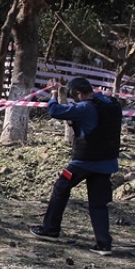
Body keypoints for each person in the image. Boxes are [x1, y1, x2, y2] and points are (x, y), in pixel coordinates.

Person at [28, 76, 122, 256]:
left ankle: (50, 229)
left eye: (74, 97)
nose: (74, 101)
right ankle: (103, 244)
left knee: (61, 187)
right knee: (98, 204)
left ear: (79, 93)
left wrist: (54, 93)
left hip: (85, 161)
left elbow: (55, 111)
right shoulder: (109, 103)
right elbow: (97, 125)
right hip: (107, 162)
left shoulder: (85, 107)